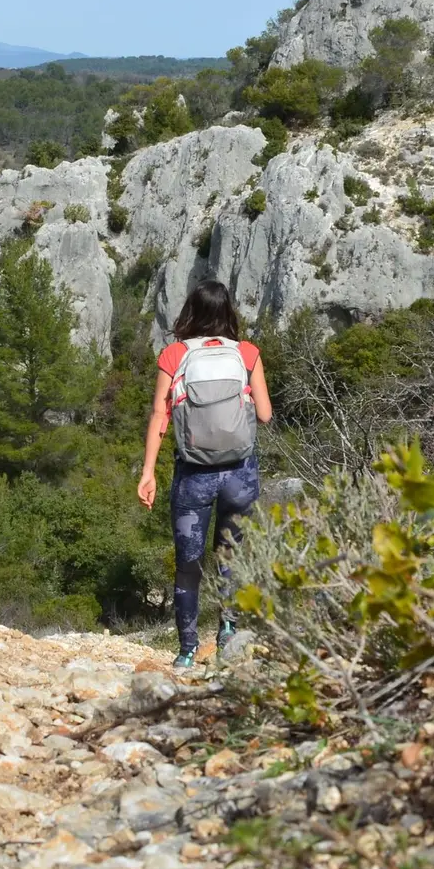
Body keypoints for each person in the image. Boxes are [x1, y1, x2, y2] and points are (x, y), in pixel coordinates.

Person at [137, 280, 272, 669]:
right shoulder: (247, 353)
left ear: (190, 312)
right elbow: (264, 414)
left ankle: (187, 650)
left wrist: (148, 472)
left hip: (193, 474)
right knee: (231, 554)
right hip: (240, 476)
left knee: (188, 564)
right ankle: (228, 630)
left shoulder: (174, 354)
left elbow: (160, 416)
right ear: (228, 311)